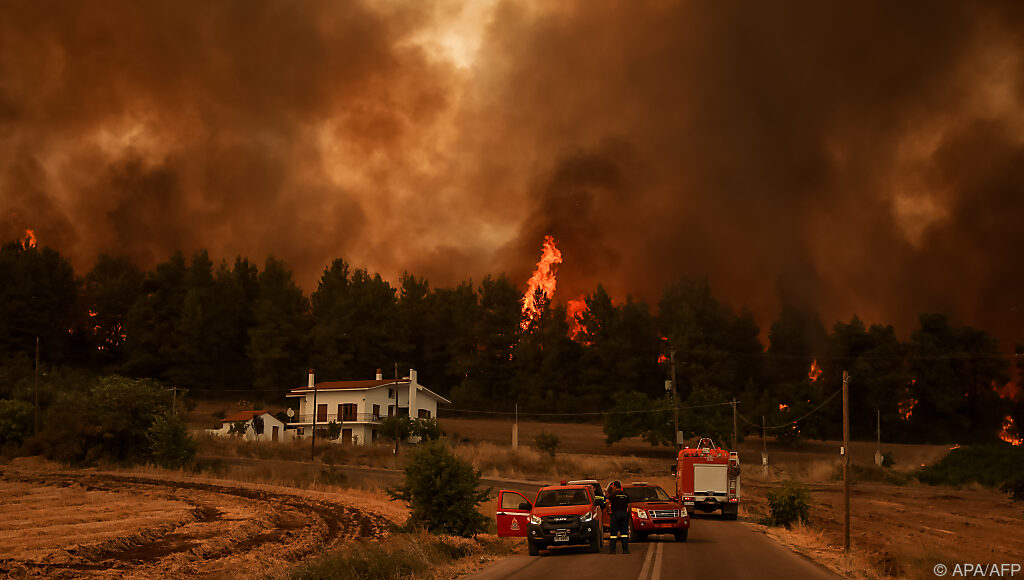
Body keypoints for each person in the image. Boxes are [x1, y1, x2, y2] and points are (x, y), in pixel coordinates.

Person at [607, 480, 631, 554]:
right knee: (624, 533)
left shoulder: (613, 494)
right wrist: (628, 514)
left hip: (615, 514)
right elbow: (629, 505)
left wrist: (609, 511)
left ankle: (613, 550)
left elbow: (607, 501)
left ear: (614, 486)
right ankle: (625, 550)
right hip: (624, 514)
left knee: (613, 533)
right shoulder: (626, 494)